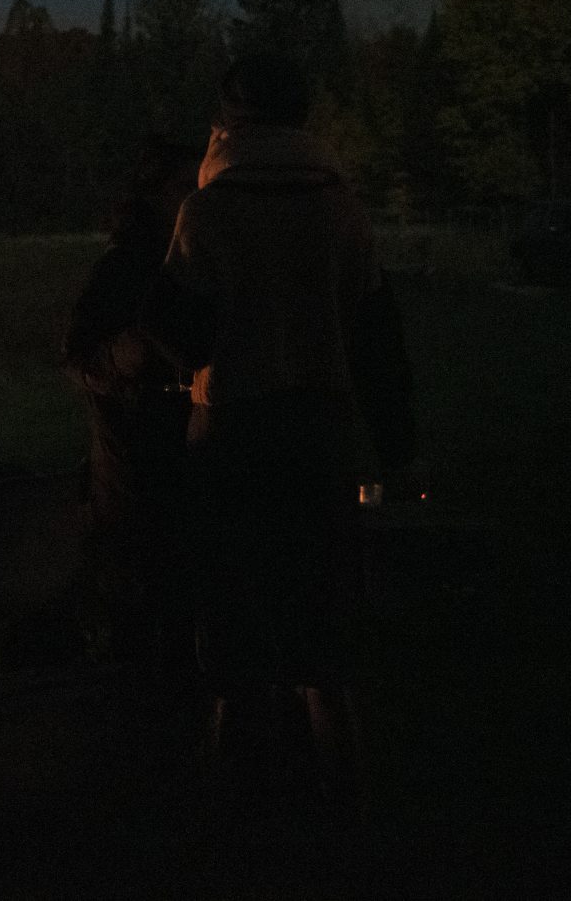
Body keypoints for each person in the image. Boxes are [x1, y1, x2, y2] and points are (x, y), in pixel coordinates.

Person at [140, 53, 416, 808]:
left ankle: (237, 791)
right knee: (322, 621)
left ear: (229, 123)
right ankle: (344, 785)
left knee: (234, 616)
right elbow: (373, 328)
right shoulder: (339, 203)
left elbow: (183, 336)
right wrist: (400, 446)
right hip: (322, 434)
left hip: (232, 436)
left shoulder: (210, 209)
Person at [61, 143, 202, 669]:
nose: (191, 200)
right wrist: (122, 357)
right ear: (153, 197)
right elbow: (78, 359)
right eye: (180, 189)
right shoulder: (122, 269)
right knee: (134, 595)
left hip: (192, 448)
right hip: (131, 459)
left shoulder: (200, 263)